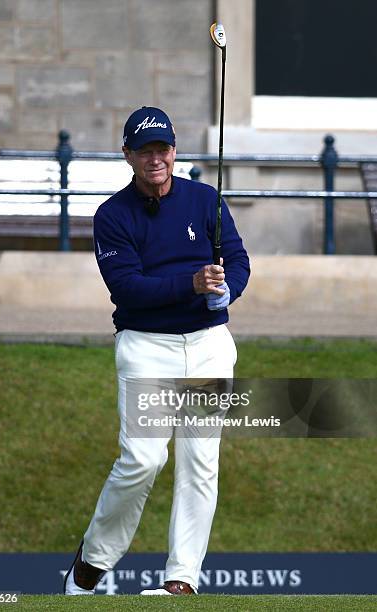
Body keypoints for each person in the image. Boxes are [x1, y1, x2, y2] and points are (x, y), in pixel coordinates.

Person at [64, 106, 250, 596]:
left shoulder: (205, 200)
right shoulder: (112, 216)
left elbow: (236, 257)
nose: (156, 158)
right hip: (147, 347)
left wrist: (226, 289)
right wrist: (191, 283)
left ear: (174, 151)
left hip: (209, 344)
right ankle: (92, 560)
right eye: (144, 150)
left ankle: (182, 580)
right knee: (144, 460)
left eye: (163, 148)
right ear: (127, 155)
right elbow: (128, 289)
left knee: (200, 462)